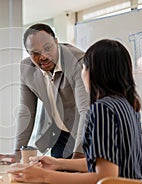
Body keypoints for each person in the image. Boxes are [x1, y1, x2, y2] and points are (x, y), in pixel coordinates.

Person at [9, 39, 142, 184]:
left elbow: (105, 179)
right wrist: (58, 163)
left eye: (84, 67)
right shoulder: (129, 106)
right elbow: (107, 164)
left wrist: (44, 175)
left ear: (94, 72)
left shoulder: (102, 109)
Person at [12, 23, 89, 162]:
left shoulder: (77, 61)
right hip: (60, 134)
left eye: (47, 48)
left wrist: (79, 154)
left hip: (85, 132)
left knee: (80, 178)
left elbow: (86, 110)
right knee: (57, 180)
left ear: (56, 42)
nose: (43, 57)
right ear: (28, 53)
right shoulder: (26, 69)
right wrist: (17, 152)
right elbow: (26, 112)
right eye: (35, 53)